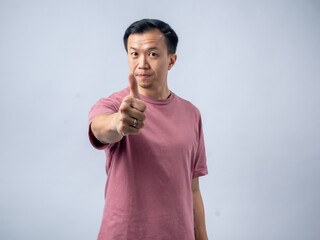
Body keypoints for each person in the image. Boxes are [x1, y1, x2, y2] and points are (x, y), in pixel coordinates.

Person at [88, 19, 209, 240]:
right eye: (134, 54)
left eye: (152, 54)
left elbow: (193, 189)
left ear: (171, 60)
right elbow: (99, 127)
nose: (142, 63)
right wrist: (119, 123)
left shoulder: (192, 114)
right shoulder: (115, 105)